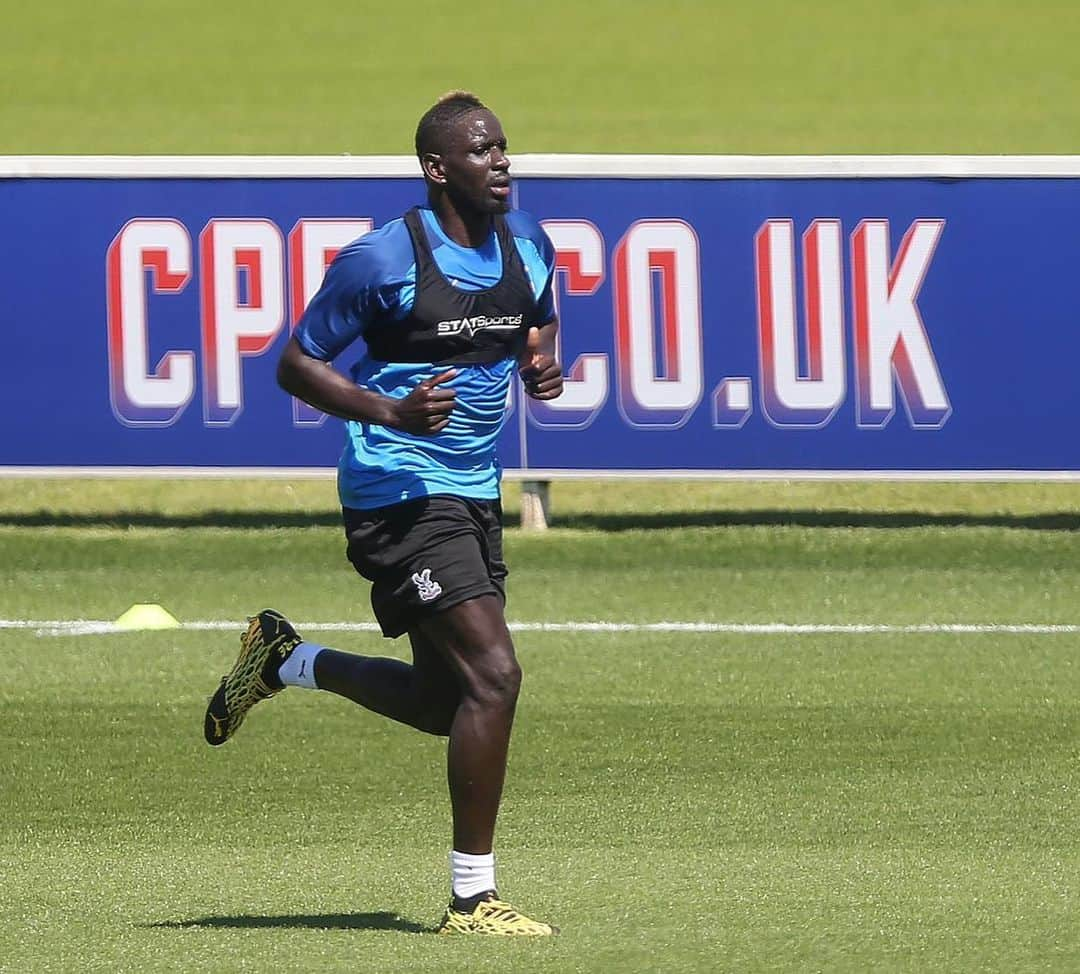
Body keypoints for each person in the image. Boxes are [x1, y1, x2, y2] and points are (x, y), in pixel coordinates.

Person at [203, 91, 564, 937]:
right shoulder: (383, 259)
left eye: (505, 147)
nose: (503, 162)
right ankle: (474, 900)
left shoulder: (529, 242)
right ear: (438, 169)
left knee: (449, 705)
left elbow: (539, 325)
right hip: (396, 490)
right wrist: (387, 411)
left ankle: (286, 661)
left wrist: (542, 368)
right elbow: (296, 363)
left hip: (472, 492)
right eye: (482, 151)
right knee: (497, 677)